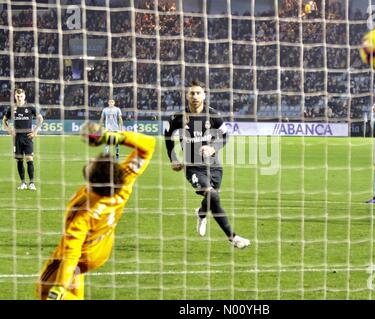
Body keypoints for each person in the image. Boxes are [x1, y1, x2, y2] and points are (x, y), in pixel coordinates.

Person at [36, 122, 156, 299]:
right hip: (101, 251)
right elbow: (149, 144)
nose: (90, 161)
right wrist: (113, 137)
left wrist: (60, 286)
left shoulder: (82, 210)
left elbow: (71, 251)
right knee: (75, 276)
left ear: (93, 183)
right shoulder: (123, 180)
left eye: (92, 164)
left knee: (43, 289)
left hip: (82, 256)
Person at [164, 80, 250, 249]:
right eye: (192, 93)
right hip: (193, 167)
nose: (195, 96)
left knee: (211, 199)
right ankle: (233, 238)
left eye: (198, 93)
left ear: (204, 95)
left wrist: (213, 147)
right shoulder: (178, 117)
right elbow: (168, 137)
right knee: (213, 196)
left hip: (215, 166)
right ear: (187, 96)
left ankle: (201, 213)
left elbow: (226, 136)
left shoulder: (213, 115)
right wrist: (173, 158)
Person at [2, 88, 44, 190]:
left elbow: (41, 119)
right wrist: (9, 130)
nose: (19, 98)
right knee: (19, 160)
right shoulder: (12, 108)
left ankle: (32, 183)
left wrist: (35, 131)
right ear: (15, 97)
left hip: (28, 137)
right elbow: (4, 121)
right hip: (17, 138)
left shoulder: (30, 107)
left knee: (29, 159)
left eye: (21, 96)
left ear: (24, 96)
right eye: (17, 96)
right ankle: (23, 183)